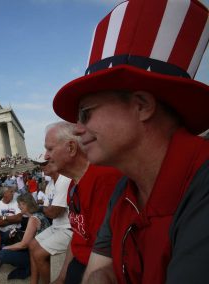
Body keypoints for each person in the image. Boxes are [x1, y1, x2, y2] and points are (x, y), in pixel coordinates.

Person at [52, 0, 209, 283]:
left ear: (142, 106)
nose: (76, 129)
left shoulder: (202, 183)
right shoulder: (126, 187)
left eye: (86, 113)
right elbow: (100, 267)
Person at [42, 122, 122, 284]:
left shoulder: (104, 179)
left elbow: (107, 249)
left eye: (50, 149)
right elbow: (78, 234)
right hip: (79, 265)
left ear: (71, 148)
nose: (45, 156)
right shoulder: (73, 184)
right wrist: (62, 277)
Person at [28, 157, 73, 284]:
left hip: (69, 228)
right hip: (57, 226)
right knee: (31, 245)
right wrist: (46, 209)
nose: (42, 167)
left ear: (54, 162)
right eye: (40, 164)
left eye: (44, 163)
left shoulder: (64, 180)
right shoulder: (50, 185)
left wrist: (42, 208)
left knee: (38, 254)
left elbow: (53, 212)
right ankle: (33, 282)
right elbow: (49, 210)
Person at [0, 193, 50, 280]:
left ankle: (27, 266)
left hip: (38, 254)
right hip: (41, 250)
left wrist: (5, 248)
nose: (18, 207)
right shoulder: (39, 214)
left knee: (2, 254)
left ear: (26, 204)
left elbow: (24, 245)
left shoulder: (33, 219)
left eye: (20, 204)